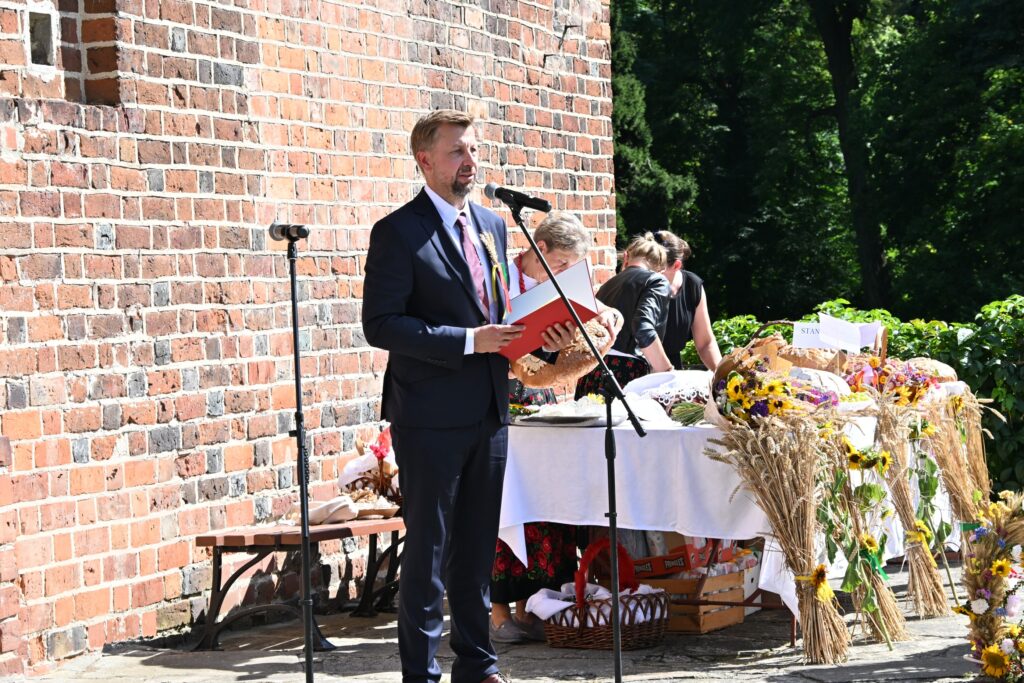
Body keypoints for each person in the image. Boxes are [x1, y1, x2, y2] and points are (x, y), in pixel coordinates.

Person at [362, 110, 573, 683]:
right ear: (424, 160)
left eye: (474, 150)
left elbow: (499, 312)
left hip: (490, 408)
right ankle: (421, 674)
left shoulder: (492, 224)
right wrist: (467, 340)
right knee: (429, 552)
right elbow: (381, 325)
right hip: (428, 414)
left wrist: (544, 338)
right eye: (457, 151)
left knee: (478, 550)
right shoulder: (397, 232)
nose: (470, 162)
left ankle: (478, 668)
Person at [489, 211, 619, 644]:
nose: (564, 273)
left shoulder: (561, 282)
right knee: (508, 502)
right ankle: (498, 613)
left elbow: (596, 309)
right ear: (539, 249)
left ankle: (533, 607)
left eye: (571, 268)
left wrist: (607, 318)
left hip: (539, 397)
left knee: (543, 500)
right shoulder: (501, 278)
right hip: (497, 395)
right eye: (561, 264)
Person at [574, 232, 674, 398]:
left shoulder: (606, 286)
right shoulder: (657, 281)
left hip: (591, 372)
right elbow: (643, 328)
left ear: (626, 257)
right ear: (660, 270)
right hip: (624, 373)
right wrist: (667, 371)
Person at [653, 230, 722, 371]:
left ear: (676, 265)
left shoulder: (692, 285)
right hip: (637, 368)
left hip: (672, 369)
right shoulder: (636, 283)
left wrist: (722, 376)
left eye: (656, 267)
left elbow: (705, 343)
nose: (648, 272)